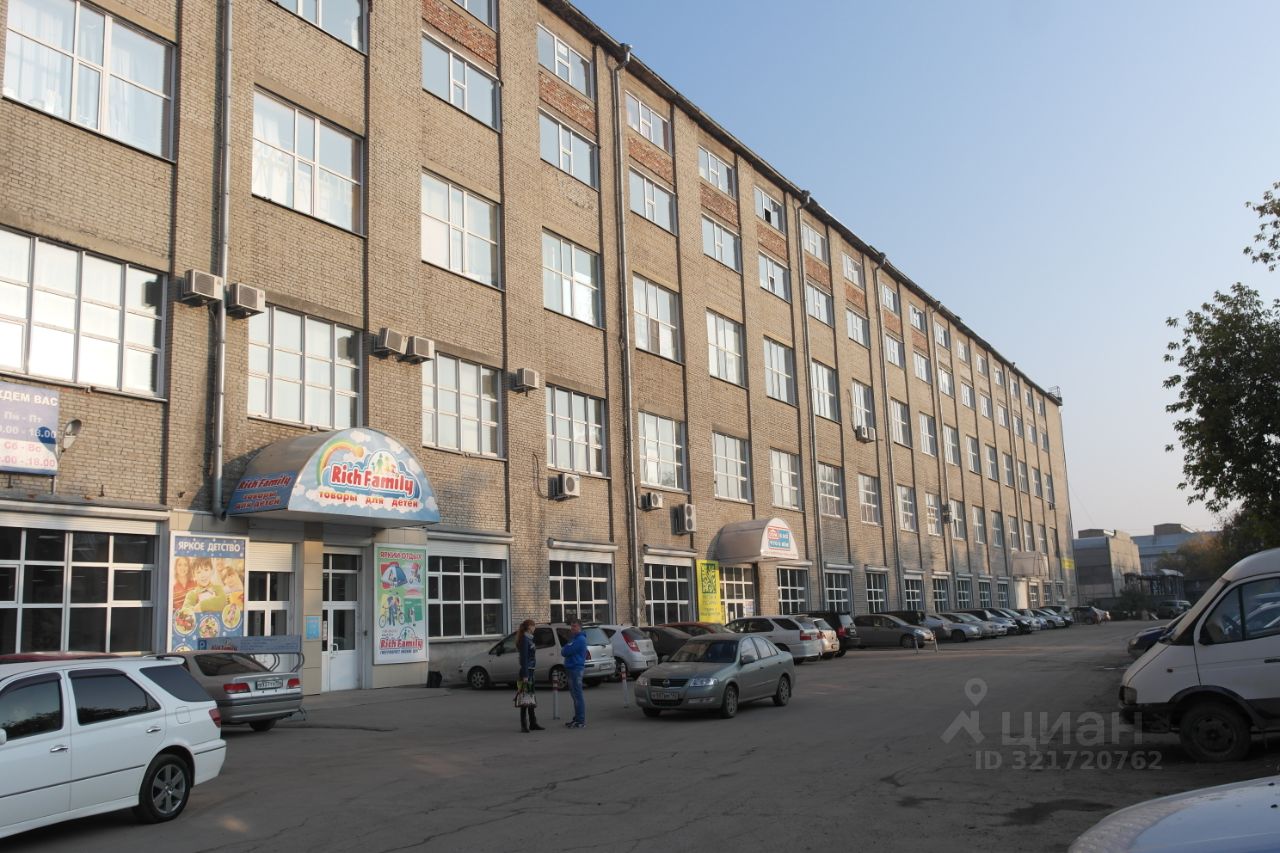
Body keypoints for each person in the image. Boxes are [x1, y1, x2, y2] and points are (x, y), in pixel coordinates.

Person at [515, 619, 544, 733]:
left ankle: (533, 723)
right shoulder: (524, 640)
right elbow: (524, 659)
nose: (534, 628)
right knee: (524, 698)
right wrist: (525, 675)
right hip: (526, 672)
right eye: (533, 625)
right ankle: (524, 725)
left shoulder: (529, 639)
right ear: (529, 627)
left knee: (530, 697)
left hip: (531, 671)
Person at [560, 618, 588, 728]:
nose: (572, 628)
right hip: (571, 668)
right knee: (575, 696)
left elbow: (565, 651)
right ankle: (577, 719)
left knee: (577, 695)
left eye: (574, 626)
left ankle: (580, 720)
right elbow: (564, 651)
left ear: (580, 627)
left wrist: (567, 648)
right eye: (571, 626)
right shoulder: (574, 639)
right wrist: (567, 648)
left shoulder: (580, 639)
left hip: (576, 669)